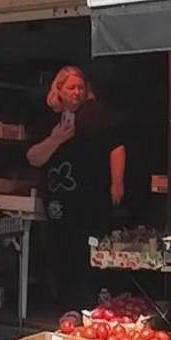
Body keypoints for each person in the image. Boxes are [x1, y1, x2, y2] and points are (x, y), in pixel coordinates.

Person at [26, 65, 124, 309]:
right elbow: (33, 158)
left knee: (92, 249)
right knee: (60, 250)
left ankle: (93, 304)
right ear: (59, 90)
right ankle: (68, 307)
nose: (77, 92)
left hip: (93, 197)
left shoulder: (96, 114)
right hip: (59, 200)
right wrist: (56, 139)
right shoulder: (47, 120)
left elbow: (116, 147)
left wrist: (117, 182)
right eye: (71, 87)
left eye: (81, 87)